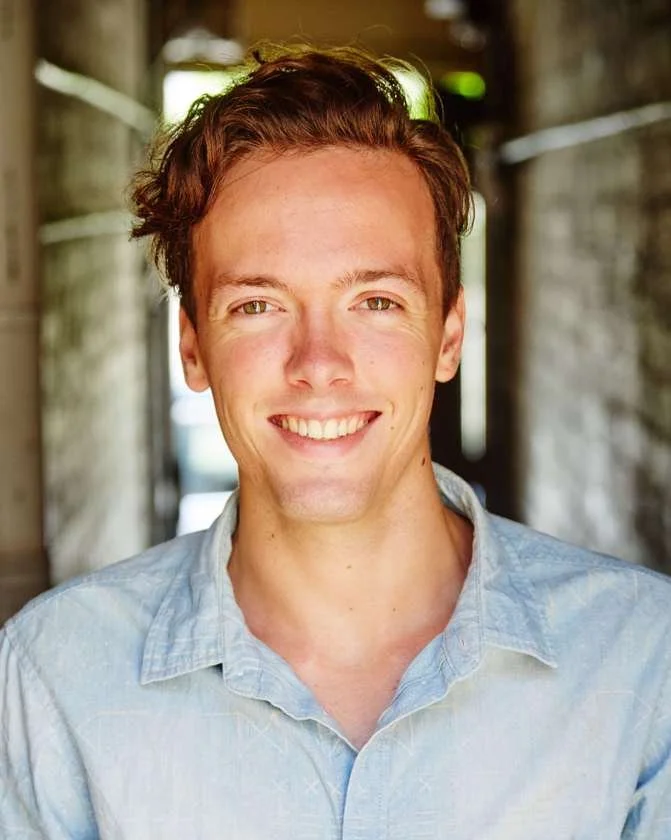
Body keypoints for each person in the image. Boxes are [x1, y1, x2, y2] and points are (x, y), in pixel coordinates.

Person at [1, 45, 670, 839]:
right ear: (191, 347)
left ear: (449, 335)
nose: (318, 364)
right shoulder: (56, 674)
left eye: (376, 302)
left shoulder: (641, 662)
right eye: (257, 306)